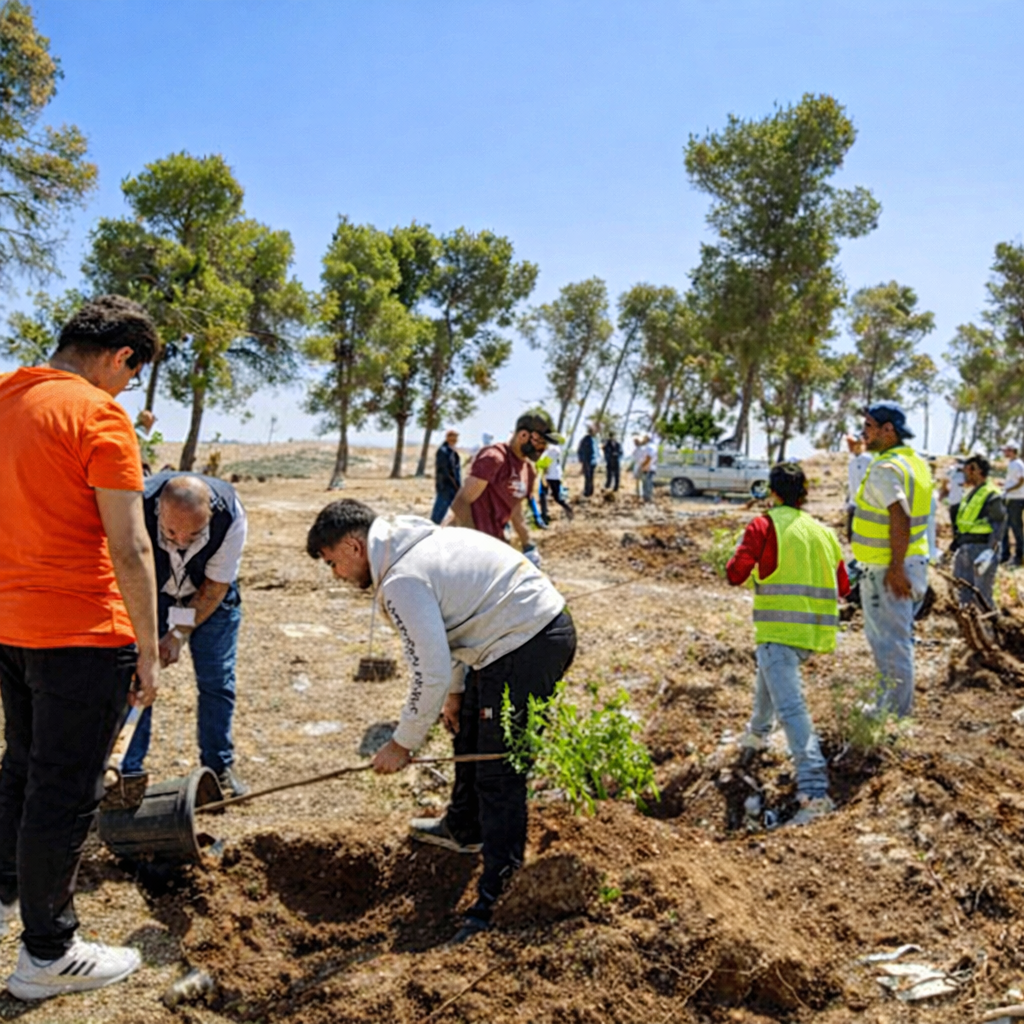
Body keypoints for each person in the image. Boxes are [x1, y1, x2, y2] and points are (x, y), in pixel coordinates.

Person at [306, 500, 575, 943]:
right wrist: (454, 693)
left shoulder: (401, 580)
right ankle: (463, 828)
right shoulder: (407, 547)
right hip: (512, 637)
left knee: (499, 770)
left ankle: (497, 897)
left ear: (355, 546)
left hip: (529, 641)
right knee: (467, 724)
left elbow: (427, 666)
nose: (336, 575)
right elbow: (445, 637)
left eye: (334, 563)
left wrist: (403, 743)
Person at [0, 295, 161, 1000]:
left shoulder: (6, 397)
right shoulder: (99, 414)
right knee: (64, 793)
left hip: (11, 624)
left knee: (21, 769)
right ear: (122, 356)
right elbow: (129, 546)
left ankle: (6, 893)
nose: (126, 388)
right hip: (84, 632)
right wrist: (150, 650)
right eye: (132, 373)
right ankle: (47, 953)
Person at [727, 462, 849, 825]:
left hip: (779, 629)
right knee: (769, 678)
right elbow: (843, 587)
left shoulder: (764, 524)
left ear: (772, 491)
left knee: (793, 711)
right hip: (813, 633)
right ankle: (756, 737)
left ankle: (815, 792)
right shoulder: (824, 532)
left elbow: (736, 573)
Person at [122, 472, 249, 797]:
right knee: (136, 677)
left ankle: (218, 770)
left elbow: (215, 586)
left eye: (193, 534)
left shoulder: (231, 516)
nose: (180, 541)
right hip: (151, 595)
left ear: (209, 515)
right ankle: (128, 775)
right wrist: (149, 647)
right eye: (170, 532)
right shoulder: (134, 508)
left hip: (211, 598)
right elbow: (127, 569)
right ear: (157, 513)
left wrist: (177, 634)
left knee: (217, 681)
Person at [851, 401, 934, 718]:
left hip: (889, 568)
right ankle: (889, 705)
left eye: (869, 426)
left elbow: (900, 516)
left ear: (889, 430)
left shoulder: (887, 469)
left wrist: (896, 567)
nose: (864, 433)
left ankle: (892, 716)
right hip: (910, 562)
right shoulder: (916, 463)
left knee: (890, 643)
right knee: (895, 640)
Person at [447, 411, 558, 566]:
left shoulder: (528, 471)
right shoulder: (494, 458)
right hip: (460, 548)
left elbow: (516, 512)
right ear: (524, 436)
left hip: (491, 547)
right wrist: (480, 547)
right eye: (541, 442)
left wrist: (528, 546)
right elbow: (461, 503)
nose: (543, 448)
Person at [951, 455, 1005, 609]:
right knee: (962, 595)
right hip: (965, 549)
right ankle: (968, 631)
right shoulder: (971, 494)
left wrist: (990, 551)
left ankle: (990, 630)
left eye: (966, 470)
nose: (964, 474)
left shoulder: (991, 493)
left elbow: (999, 523)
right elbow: (965, 524)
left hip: (982, 549)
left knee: (982, 597)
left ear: (976, 470)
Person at [845, 435, 873, 543]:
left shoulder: (868, 460)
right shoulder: (851, 462)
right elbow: (851, 483)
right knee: (851, 535)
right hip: (853, 503)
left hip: (866, 504)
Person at [536, 444, 573, 523]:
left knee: (545, 495)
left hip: (549, 477)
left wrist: (542, 473)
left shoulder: (550, 450)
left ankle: (545, 516)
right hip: (555, 476)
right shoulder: (555, 449)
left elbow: (544, 466)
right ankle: (568, 510)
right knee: (553, 497)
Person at [431, 430, 461, 525]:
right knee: (439, 511)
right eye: (453, 437)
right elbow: (446, 471)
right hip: (445, 486)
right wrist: (455, 485)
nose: (455, 439)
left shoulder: (452, 451)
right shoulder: (443, 451)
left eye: (456, 437)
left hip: (452, 486)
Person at [1001, 443, 1024, 566]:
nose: (1004, 453)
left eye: (1007, 450)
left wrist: (1009, 489)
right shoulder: (1012, 464)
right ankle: (1006, 555)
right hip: (1011, 498)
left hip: (1016, 499)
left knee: (1016, 527)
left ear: (1013, 451)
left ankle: (1019, 557)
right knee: (1006, 527)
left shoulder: (1018, 464)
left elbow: (1021, 480)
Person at [938, 458, 966, 538]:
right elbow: (945, 481)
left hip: (961, 502)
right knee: (956, 525)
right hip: (956, 502)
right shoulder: (953, 471)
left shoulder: (968, 473)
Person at [634, 433, 657, 503]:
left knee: (647, 484)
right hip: (650, 468)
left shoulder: (650, 447)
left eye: (644, 438)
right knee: (646, 484)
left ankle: (647, 499)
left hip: (648, 468)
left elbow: (648, 458)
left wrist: (642, 465)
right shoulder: (652, 446)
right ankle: (647, 498)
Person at [577, 424, 599, 498]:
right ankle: (587, 492)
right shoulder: (585, 439)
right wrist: (582, 460)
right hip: (587, 461)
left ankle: (590, 491)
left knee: (591, 477)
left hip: (593, 461)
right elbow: (580, 450)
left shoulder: (594, 440)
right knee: (588, 477)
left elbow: (596, 451)